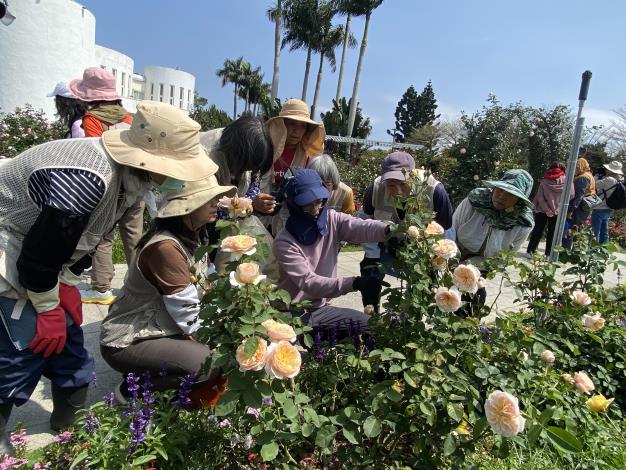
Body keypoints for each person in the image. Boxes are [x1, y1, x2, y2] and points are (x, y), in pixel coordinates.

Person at [0, 101, 217, 455]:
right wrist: (47, 304)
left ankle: (69, 426)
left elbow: (83, 238)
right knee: (22, 346)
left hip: (43, 256)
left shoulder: (127, 179)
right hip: (13, 248)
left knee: (71, 352)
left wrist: (68, 281)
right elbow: (40, 254)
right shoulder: (88, 177)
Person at [100, 176, 235, 405]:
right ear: (186, 207)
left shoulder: (194, 233)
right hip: (127, 341)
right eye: (208, 199)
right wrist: (224, 341)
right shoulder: (165, 248)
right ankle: (135, 389)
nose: (217, 202)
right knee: (208, 362)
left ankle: (154, 369)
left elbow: (209, 282)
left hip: (161, 328)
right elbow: (189, 316)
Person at [274, 169, 390, 329]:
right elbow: (309, 282)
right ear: (294, 205)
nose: (315, 210)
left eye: (318, 202)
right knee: (279, 351)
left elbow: (360, 227)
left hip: (321, 310)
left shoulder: (332, 220)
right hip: (291, 311)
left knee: (371, 326)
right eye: (307, 205)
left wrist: (390, 231)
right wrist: (355, 283)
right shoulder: (285, 242)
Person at [68, 67, 142, 305]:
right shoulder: (130, 118)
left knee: (103, 237)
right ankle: (141, 286)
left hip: (110, 188)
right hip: (137, 186)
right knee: (135, 238)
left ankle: (101, 289)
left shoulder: (92, 120)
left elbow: (96, 154)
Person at [359, 152, 454, 277]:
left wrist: (439, 262)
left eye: (403, 184)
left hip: (423, 251)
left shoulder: (435, 191)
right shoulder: (376, 188)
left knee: (431, 284)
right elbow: (364, 223)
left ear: (413, 175)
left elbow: (446, 233)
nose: (398, 191)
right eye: (391, 185)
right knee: (369, 271)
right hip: (387, 247)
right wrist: (372, 255)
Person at [262, 99, 325, 235]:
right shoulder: (265, 152)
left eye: (302, 126)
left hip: (291, 221)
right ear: (281, 125)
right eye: (292, 124)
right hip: (260, 215)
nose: (297, 131)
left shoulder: (307, 157)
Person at [453, 169, 535, 263]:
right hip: (455, 251)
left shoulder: (523, 223)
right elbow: (452, 228)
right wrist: (451, 256)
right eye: (500, 189)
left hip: (488, 264)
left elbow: (507, 256)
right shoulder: (474, 201)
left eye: (511, 194)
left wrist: (476, 269)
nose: (502, 197)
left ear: (519, 200)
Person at [526, 162, 574, 256]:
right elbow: (571, 195)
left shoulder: (545, 180)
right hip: (558, 211)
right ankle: (548, 254)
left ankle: (530, 251)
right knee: (552, 232)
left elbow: (540, 197)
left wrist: (547, 209)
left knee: (538, 230)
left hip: (542, 210)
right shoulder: (568, 182)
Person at [563, 157, 596, 250]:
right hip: (585, 206)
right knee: (578, 229)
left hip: (579, 207)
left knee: (570, 229)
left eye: (577, 167)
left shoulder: (583, 178)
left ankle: (564, 252)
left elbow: (579, 195)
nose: (575, 169)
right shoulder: (589, 175)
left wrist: (571, 210)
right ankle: (575, 252)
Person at [592, 160, 624, 244]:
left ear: (610, 170)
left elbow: (594, 185)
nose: (605, 170)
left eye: (607, 169)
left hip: (600, 207)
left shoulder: (609, 179)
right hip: (609, 207)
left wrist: (596, 176)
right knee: (604, 230)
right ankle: (603, 248)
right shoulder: (620, 179)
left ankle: (594, 248)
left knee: (595, 231)